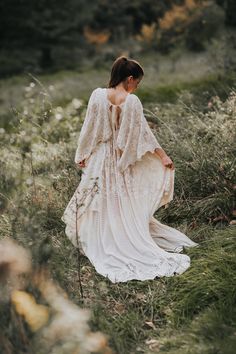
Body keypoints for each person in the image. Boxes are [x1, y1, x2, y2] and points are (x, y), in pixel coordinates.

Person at [61, 56, 197, 283]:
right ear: (130, 78)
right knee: (121, 198)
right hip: (119, 160)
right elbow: (142, 134)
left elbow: (89, 128)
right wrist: (162, 156)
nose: (137, 87)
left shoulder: (97, 96)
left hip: (100, 157)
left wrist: (82, 153)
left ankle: (102, 238)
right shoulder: (131, 102)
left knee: (99, 198)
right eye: (137, 82)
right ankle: (120, 237)